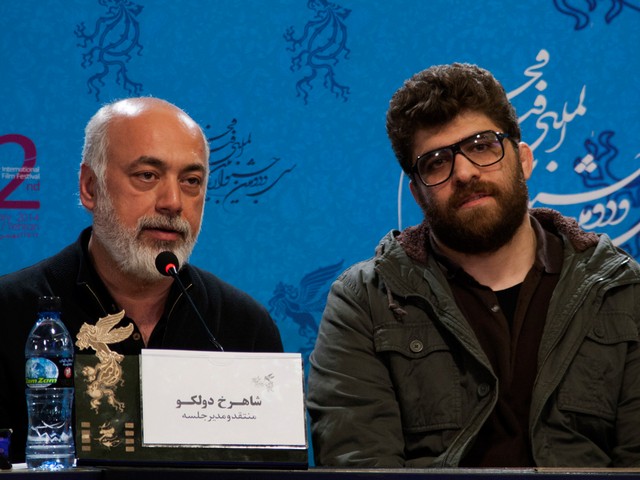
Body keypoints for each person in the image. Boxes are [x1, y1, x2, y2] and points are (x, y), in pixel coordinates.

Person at [307, 63, 640, 468]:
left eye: (482, 146)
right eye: (436, 162)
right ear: (417, 194)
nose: (464, 172)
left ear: (523, 160)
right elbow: (359, 466)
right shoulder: (365, 302)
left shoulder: (621, 290)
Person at [0, 97, 283, 463]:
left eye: (191, 181)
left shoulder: (244, 326)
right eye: (147, 175)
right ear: (90, 187)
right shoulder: (9, 312)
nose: (173, 202)